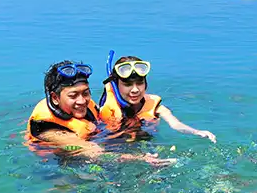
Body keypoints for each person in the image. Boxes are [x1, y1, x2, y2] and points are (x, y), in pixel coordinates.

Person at [25, 60, 175, 166]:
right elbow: (94, 152)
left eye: (85, 93)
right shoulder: (48, 128)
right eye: (73, 96)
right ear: (55, 98)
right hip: (58, 166)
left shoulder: (87, 107)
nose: (82, 101)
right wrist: (140, 159)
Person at [98, 52, 217, 143]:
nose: (135, 90)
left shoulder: (157, 108)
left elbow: (176, 124)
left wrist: (196, 132)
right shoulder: (104, 110)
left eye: (139, 83)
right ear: (115, 85)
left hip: (145, 145)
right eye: (127, 85)